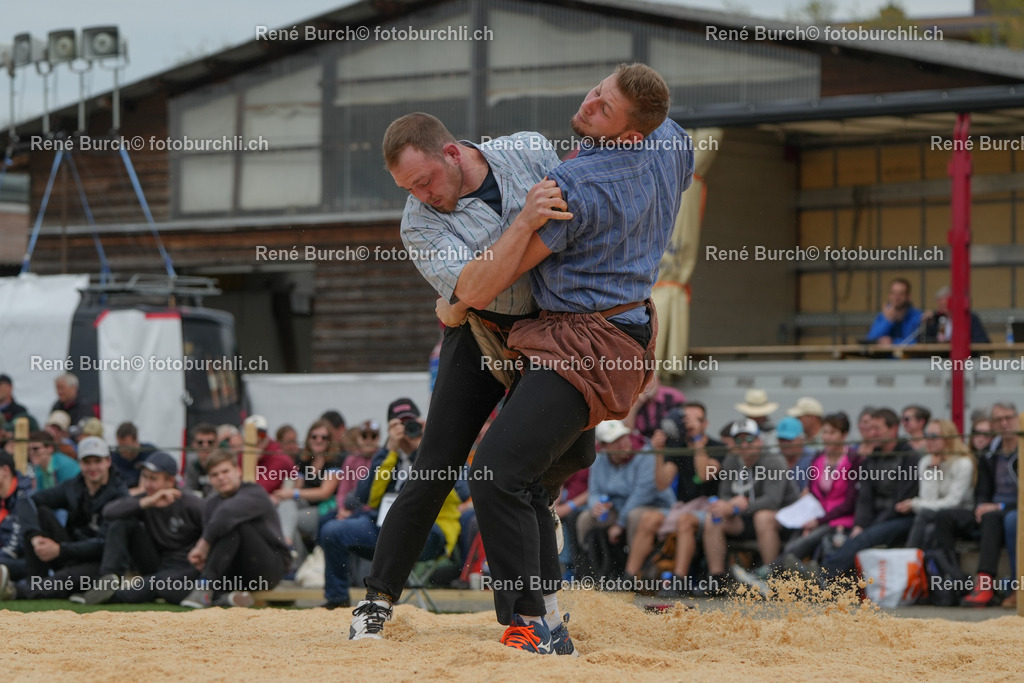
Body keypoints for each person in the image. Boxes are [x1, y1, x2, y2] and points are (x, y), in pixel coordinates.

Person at [437, 62, 692, 653]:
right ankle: (550, 616)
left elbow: (490, 281)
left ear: (631, 132)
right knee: (533, 480)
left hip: (580, 345)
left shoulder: (573, 186)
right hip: (628, 333)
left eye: (603, 108)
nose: (588, 104)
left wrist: (466, 292)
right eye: (596, 91)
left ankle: (527, 624)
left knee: (495, 473)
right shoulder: (673, 139)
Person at [349, 106, 598, 647]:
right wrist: (522, 228)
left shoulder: (529, 149)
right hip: (483, 332)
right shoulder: (417, 221)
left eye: (426, 180)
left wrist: (467, 291)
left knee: (571, 459)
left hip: (555, 330)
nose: (423, 195)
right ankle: (375, 602)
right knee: (434, 465)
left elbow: (580, 226)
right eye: (407, 188)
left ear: (453, 152)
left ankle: (544, 603)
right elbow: (477, 289)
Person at [324, 400, 462, 611]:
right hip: (383, 527)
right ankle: (337, 601)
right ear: (390, 428)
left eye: (411, 423)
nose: (407, 430)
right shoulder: (388, 454)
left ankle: (383, 595)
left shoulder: (440, 450)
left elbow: (463, 490)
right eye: (400, 425)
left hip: (430, 530)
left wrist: (424, 448)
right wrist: (388, 450)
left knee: (404, 524)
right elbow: (364, 496)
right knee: (332, 530)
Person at [1, 436, 129, 600]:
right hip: (68, 553)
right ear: (80, 463)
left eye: (97, 461)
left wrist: (60, 550)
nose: (92, 467)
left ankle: (15, 591)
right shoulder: (74, 486)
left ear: (108, 461)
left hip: (100, 562)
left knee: (63, 580)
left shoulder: (119, 495)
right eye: (87, 462)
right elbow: (26, 500)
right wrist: (34, 536)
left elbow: (104, 545)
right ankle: (34, 579)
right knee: (41, 512)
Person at [72, 451, 204, 605]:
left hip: (184, 568)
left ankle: (110, 597)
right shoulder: (148, 498)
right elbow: (109, 512)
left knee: (153, 583)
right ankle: (106, 581)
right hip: (156, 562)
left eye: (153, 478)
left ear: (170, 481)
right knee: (122, 521)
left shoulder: (191, 503)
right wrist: (146, 502)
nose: (147, 483)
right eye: (145, 477)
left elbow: (211, 531)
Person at [930, 401, 1018, 607]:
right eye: (998, 420)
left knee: (996, 518)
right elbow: (983, 489)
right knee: (943, 516)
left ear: (1017, 419)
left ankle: (986, 585)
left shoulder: (1022, 450)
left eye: (1008, 418)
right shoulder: (990, 451)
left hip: (1011, 510)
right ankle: (953, 582)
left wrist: (1000, 508)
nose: (1004, 423)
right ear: (993, 425)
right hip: (990, 509)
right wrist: (980, 504)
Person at [630, 403, 723, 596]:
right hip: (682, 506)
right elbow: (662, 483)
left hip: (708, 507)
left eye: (694, 419)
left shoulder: (717, 446)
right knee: (649, 518)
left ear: (705, 423)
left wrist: (698, 441)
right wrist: (659, 452)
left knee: (685, 520)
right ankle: (629, 578)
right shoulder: (678, 446)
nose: (687, 423)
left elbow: (705, 473)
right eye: (684, 418)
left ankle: (678, 581)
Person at [181, 449, 291, 608]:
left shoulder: (255, 492)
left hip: (269, 567)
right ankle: (225, 598)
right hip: (234, 569)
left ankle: (205, 587)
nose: (221, 477)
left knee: (234, 525)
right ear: (210, 480)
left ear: (238, 471)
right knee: (177, 582)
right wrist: (205, 557)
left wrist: (203, 545)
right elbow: (215, 539)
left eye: (225, 471)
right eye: (214, 474)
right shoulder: (209, 504)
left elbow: (227, 514)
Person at [820, 408, 920, 581]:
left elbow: (901, 500)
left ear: (893, 429)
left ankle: (824, 577)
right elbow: (864, 498)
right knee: (846, 535)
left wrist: (871, 526)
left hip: (901, 517)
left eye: (877, 428)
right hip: (875, 517)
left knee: (864, 538)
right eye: (870, 428)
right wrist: (860, 524)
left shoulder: (909, 457)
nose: (871, 433)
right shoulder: (870, 460)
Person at [705, 419, 799, 594]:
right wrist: (728, 505)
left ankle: (771, 577)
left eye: (749, 439)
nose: (745, 445)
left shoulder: (774, 460)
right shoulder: (732, 460)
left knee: (762, 516)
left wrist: (735, 508)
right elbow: (725, 493)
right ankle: (716, 580)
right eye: (739, 440)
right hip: (745, 517)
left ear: (759, 440)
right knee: (714, 517)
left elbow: (772, 501)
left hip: (783, 518)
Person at [575, 420, 673, 580]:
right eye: (615, 441)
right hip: (619, 508)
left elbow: (641, 495)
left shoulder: (646, 455)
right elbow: (595, 491)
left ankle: (632, 573)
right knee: (585, 518)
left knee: (634, 515)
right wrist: (596, 505)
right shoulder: (599, 459)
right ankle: (589, 572)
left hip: (654, 506)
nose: (623, 444)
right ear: (604, 446)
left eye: (624, 437)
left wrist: (619, 524)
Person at [779, 412, 862, 566]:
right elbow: (813, 493)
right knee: (793, 539)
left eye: (832, 433)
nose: (827, 437)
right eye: (825, 432)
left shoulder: (854, 460)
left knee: (796, 547)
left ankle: (766, 574)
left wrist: (818, 521)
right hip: (816, 515)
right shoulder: (818, 458)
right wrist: (811, 519)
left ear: (844, 435)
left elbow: (850, 502)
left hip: (838, 520)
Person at [273, 418, 341, 561]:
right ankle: (290, 549)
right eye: (314, 436)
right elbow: (296, 487)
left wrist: (293, 493)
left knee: (290, 520)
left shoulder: (334, 462)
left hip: (324, 509)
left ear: (330, 440)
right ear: (308, 439)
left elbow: (324, 493)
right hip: (305, 505)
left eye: (324, 437)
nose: (318, 440)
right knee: (284, 508)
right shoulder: (305, 460)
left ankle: (293, 562)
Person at [900, 419, 975, 549]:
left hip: (960, 514)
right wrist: (933, 469)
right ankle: (915, 563)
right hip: (932, 516)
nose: (929, 440)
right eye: (927, 436)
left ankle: (909, 559)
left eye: (934, 436)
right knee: (929, 529)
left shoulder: (963, 463)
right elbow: (928, 500)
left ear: (948, 438)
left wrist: (914, 504)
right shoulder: (926, 462)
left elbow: (953, 502)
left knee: (927, 521)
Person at [0, 451, 36, 582]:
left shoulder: (24, 496)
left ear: (5, 470)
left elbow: (14, 547)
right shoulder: (3, 498)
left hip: (25, 562)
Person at [922, 286, 990, 343]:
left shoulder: (970, 319)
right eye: (939, 306)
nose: (940, 309)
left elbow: (982, 341)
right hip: (939, 357)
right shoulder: (936, 319)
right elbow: (923, 340)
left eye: (943, 305)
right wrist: (925, 323)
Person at [865, 278, 923, 345]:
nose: (896, 298)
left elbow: (919, 343)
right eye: (893, 293)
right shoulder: (883, 316)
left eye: (901, 294)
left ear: (908, 297)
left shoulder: (918, 316)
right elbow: (870, 339)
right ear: (889, 296)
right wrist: (888, 321)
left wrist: (893, 343)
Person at [111, 422, 157, 492]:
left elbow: (145, 488)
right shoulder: (114, 457)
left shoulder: (150, 454)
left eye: (126, 446)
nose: (123, 450)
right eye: (120, 446)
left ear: (136, 441)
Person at [184, 423, 219, 497]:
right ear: (194, 444)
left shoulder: (223, 464)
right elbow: (187, 489)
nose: (205, 446)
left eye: (210, 442)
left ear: (217, 444)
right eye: (200, 443)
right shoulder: (189, 463)